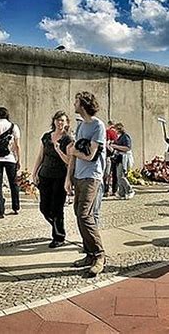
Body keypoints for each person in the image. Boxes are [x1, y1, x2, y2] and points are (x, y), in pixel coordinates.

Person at [65, 91, 106, 276]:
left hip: (92, 176)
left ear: (83, 104)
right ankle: (89, 254)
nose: (73, 103)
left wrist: (74, 152)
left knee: (84, 215)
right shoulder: (81, 126)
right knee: (78, 213)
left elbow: (90, 156)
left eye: (76, 100)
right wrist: (69, 177)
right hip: (79, 176)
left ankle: (99, 255)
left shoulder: (98, 126)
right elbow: (74, 155)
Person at [32, 111, 72, 248]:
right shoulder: (46, 137)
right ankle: (57, 226)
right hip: (45, 175)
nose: (60, 123)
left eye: (63, 120)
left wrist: (59, 150)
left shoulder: (67, 139)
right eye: (58, 120)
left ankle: (59, 237)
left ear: (66, 123)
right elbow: (40, 156)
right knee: (44, 208)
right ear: (54, 121)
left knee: (57, 208)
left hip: (60, 177)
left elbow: (69, 161)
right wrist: (34, 172)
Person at [110, 123, 135, 199]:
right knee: (118, 176)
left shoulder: (125, 137)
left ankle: (130, 190)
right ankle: (122, 193)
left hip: (124, 158)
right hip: (118, 158)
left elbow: (127, 148)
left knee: (121, 176)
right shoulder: (118, 138)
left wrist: (115, 146)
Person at [104, 120, 118, 196]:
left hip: (108, 155)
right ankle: (114, 190)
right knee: (114, 174)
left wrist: (111, 150)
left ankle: (106, 191)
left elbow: (107, 143)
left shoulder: (108, 131)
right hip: (116, 155)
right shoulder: (116, 134)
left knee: (107, 173)